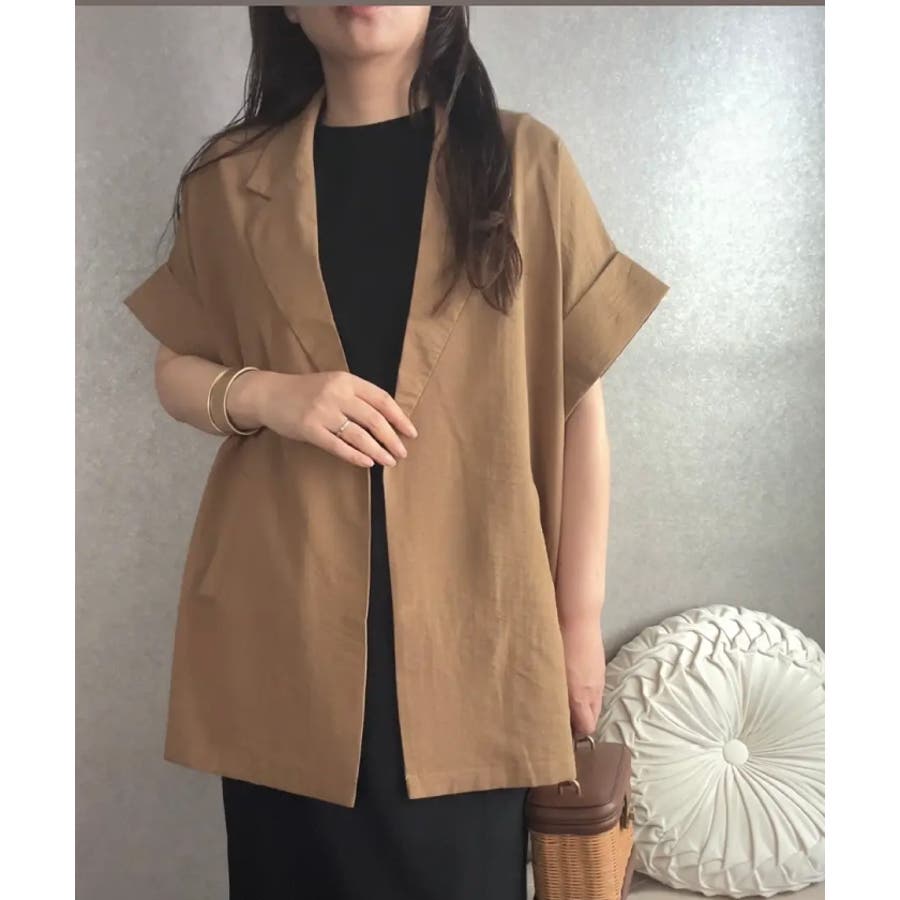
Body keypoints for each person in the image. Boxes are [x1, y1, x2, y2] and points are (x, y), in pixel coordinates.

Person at [122, 6, 670, 899]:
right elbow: (174, 368)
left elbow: (578, 405)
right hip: (284, 627)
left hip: (476, 635)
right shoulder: (229, 180)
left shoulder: (524, 164)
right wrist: (274, 396)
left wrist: (578, 625)